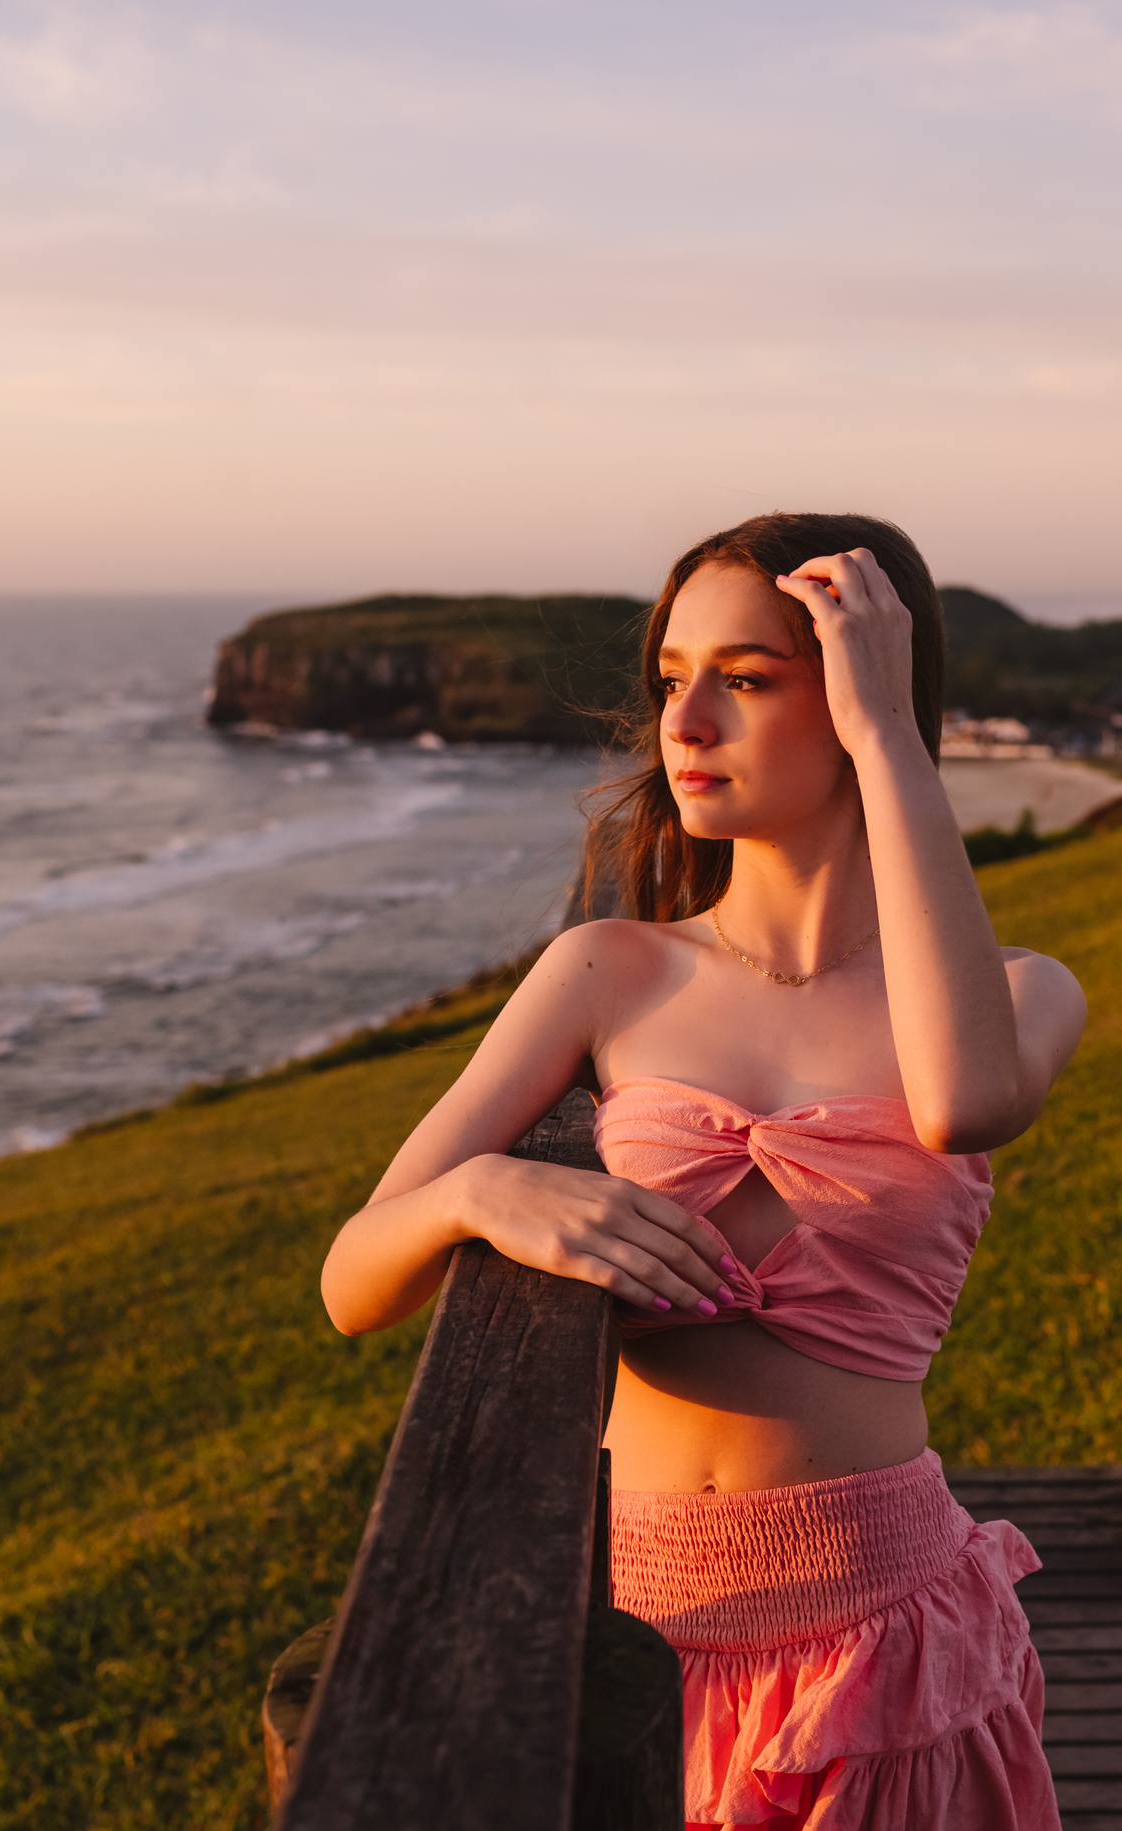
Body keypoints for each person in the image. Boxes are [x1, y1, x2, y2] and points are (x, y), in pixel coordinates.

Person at [321, 512, 1085, 1829]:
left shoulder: (1024, 992)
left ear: (861, 693)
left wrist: (890, 737)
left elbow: (963, 1102)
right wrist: (478, 1194)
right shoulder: (610, 971)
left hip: (883, 1643)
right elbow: (353, 1284)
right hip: (637, 1639)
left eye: (745, 679)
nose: (683, 724)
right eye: (672, 678)